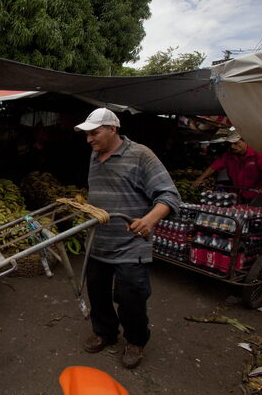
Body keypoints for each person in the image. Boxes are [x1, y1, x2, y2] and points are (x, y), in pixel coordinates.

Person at [75, 108, 180, 369]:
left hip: (131, 244)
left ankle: (135, 341)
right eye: (87, 134)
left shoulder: (141, 155)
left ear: (113, 128)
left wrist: (149, 220)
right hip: (99, 242)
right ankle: (105, 333)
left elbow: (169, 195)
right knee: (97, 293)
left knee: (132, 297)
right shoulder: (94, 155)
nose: (89, 139)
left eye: (94, 133)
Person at [192, 130, 262, 202]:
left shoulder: (258, 154)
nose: (232, 146)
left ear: (246, 142)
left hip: (258, 196)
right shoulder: (228, 155)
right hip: (238, 195)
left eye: (236, 143)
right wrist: (199, 179)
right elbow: (213, 167)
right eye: (230, 144)